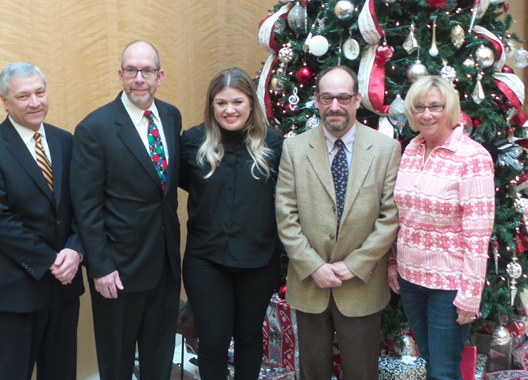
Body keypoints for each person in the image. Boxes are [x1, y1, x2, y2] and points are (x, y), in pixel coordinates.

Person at [275, 66, 401, 380]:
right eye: (327, 97)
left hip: (362, 284)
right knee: (312, 373)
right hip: (310, 282)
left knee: (362, 372)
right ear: (316, 100)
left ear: (357, 100)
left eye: (343, 98)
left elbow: (390, 217)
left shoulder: (386, 150)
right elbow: (285, 216)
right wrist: (313, 265)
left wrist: (356, 263)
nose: (335, 106)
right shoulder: (294, 148)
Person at [70, 40, 182, 380]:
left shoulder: (171, 115)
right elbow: (86, 205)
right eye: (131, 70)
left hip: (164, 263)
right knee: (117, 360)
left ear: (159, 76)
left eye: (147, 71)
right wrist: (101, 267)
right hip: (117, 272)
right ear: (120, 76)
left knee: (159, 356)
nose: (139, 78)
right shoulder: (95, 128)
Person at [0, 62, 84, 380]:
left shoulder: (66, 142)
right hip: (15, 294)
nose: (35, 102)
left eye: (40, 92)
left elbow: (82, 206)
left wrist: (76, 250)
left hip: (64, 290)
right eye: (23, 96)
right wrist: (51, 261)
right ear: (5, 101)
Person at [388, 75, 495, 380]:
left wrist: (470, 295)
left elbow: (478, 234)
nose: (426, 114)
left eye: (435, 106)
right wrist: (393, 263)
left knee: (445, 369)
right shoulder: (410, 148)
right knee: (432, 361)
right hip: (410, 278)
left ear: (450, 108)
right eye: (419, 106)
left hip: (449, 284)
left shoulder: (473, 158)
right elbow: (401, 216)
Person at [179, 67, 283, 380]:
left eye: (237, 102)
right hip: (205, 261)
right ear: (211, 106)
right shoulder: (192, 142)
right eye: (221, 103)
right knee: (212, 340)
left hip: (259, 261)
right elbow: (183, 185)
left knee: (250, 337)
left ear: (251, 104)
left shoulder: (274, 144)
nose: (229, 110)